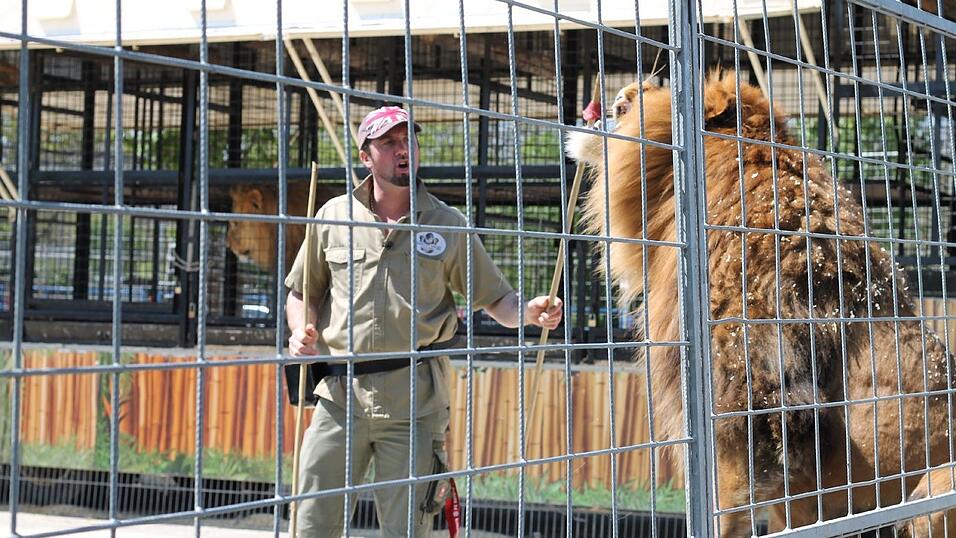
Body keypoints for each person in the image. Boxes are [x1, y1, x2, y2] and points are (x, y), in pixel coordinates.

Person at [285, 105, 563, 538]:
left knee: (408, 530)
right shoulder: (332, 216)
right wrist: (299, 331)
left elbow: (499, 299)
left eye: (408, 141)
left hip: (415, 404)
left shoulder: (448, 224)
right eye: (388, 143)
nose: (402, 150)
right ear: (365, 156)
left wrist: (527, 311)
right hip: (339, 399)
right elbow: (303, 291)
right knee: (311, 525)